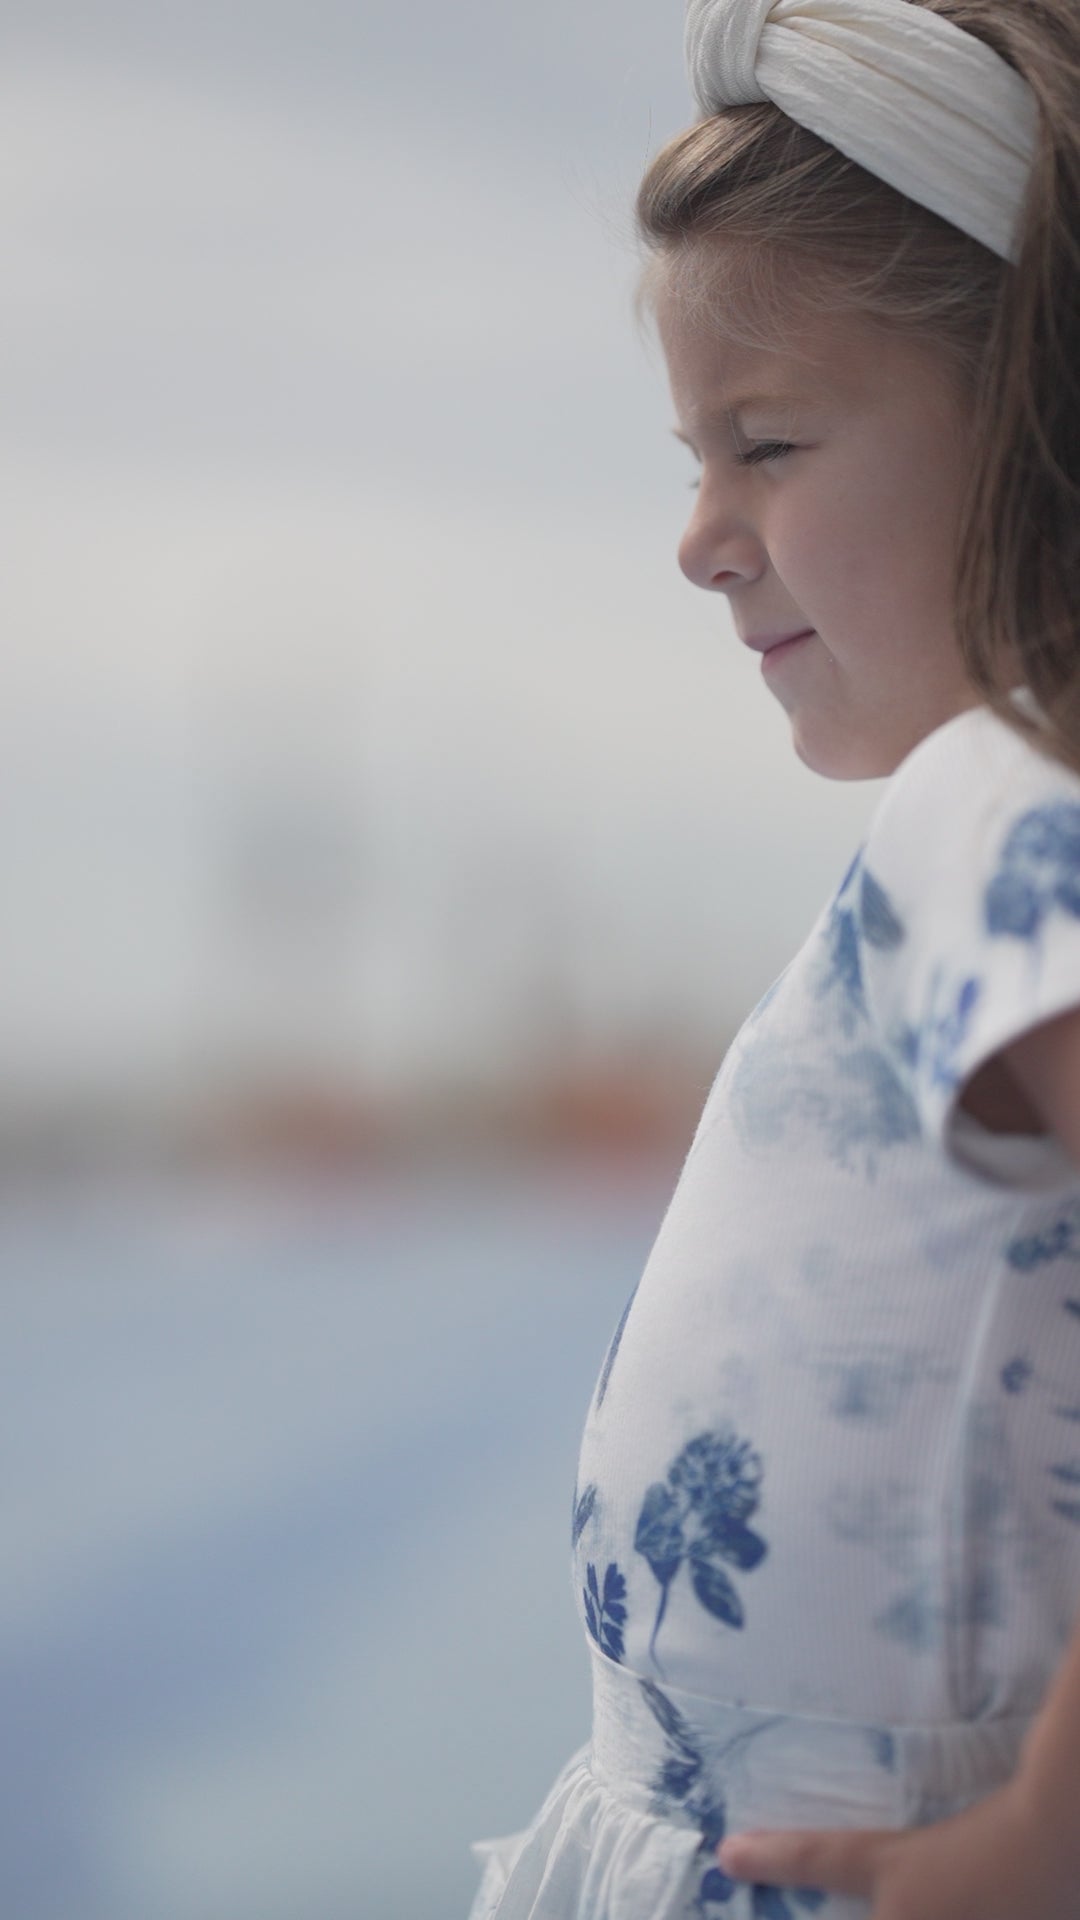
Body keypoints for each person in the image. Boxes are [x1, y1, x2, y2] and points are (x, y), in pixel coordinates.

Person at [468, 1, 1080, 1914]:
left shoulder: (997, 795)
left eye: (773, 443)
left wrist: (1049, 1833)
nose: (703, 540)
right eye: (692, 459)